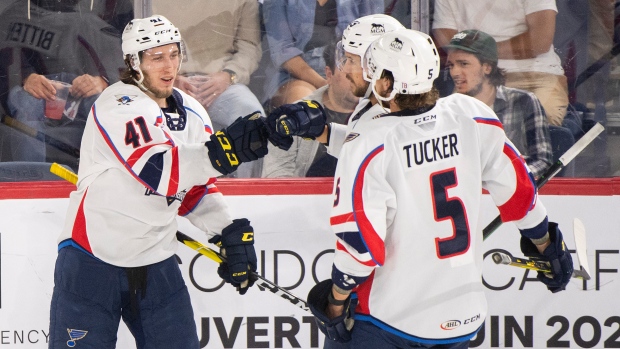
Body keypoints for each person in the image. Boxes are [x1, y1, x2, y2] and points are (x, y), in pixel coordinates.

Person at [277, 29, 574, 348]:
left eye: (373, 74)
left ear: (387, 84)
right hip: (462, 319)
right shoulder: (472, 115)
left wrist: (335, 301)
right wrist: (548, 246)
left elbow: (360, 246)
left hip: (390, 322)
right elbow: (519, 193)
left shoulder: (370, 145)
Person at [47, 15, 286, 348]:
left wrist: (226, 229)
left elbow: (192, 187)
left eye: (174, 54)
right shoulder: (118, 104)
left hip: (155, 261)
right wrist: (224, 151)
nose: (169, 65)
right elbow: (160, 173)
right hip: (92, 259)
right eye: (157, 57)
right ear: (134, 62)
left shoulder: (191, 110)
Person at [0, 0, 125, 166]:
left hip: (80, 94)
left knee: (104, 106)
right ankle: (31, 180)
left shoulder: (92, 22)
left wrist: (103, 82)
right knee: (28, 106)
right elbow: (6, 62)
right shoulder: (13, 14)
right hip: (31, 96)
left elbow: (130, 72)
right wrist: (24, 77)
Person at [152, 0, 265, 177]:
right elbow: (141, 48)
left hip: (221, 81)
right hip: (167, 81)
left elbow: (249, 46)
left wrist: (228, 76)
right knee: (145, 118)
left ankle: (246, 198)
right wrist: (169, 79)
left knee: (253, 118)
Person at [432, 0, 569, 127]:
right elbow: (446, 36)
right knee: (456, 125)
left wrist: (483, 52)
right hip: (477, 75)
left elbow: (540, 41)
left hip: (537, 74)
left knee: (540, 123)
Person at [444, 30, 552, 179]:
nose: (455, 72)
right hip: (468, 197)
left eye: (463, 64)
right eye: (451, 65)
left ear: (487, 67)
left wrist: (509, 182)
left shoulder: (523, 101)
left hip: (512, 195)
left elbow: (542, 162)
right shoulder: (444, 110)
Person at [262, 0, 384, 108]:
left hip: (348, 66)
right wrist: (325, 85)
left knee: (362, 102)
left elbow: (374, 40)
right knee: (305, 107)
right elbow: (282, 51)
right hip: (295, 74)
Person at [262, 41, 358, 177]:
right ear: (329, 75)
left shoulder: (383, 116)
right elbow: (276, 176)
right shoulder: (292, 117)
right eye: (350, 73)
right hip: (305, 196)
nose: (360, 79)